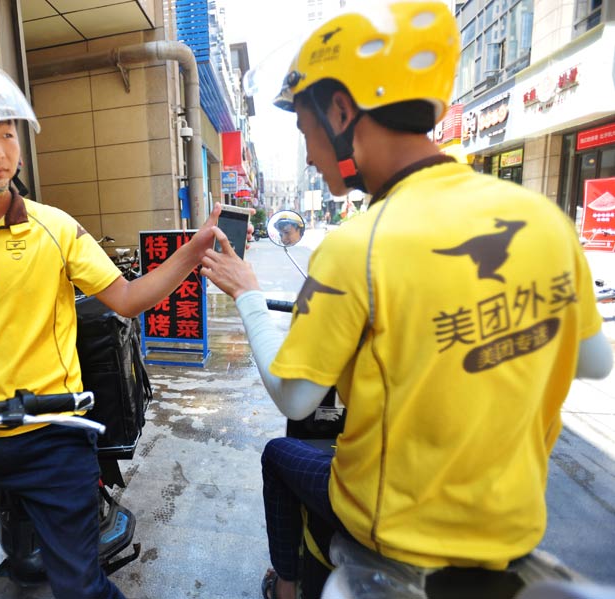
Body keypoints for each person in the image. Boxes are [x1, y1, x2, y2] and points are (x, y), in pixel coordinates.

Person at [199, 3, 613, 598]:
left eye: (305, 129)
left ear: (341, 111)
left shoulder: (358, 246)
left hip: (393, 533)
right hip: (513, 530)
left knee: (279, 455)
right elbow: (594, 362)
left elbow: (295, 393)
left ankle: (286, 589)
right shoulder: (542, 220)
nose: (311, 152)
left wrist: (246, 292)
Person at [0, 58, 228, 599]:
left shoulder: (55, 227)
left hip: (53, 434)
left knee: (79, 587)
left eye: (6, 133)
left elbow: (126, 297)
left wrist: (190, 252)